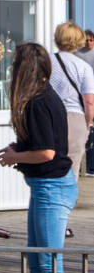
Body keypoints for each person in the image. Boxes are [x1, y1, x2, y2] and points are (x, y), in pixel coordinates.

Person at [0, 41, 76, 273]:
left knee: (48, 263)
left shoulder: (40, 101)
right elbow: (44, 145)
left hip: (52, 189)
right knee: (37, 260)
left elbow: (47, 153)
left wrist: (14, 156)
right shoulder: (43, 96)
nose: (12, 70)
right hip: (47, 187)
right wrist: (17, 151)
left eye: (15, 64)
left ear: (25, 69)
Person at [49, 22, 94, 182]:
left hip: (49, 117)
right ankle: (65, 205)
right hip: (74, 118)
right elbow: (89, 102)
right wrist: (88, 122)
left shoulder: (46, 61)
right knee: (71, 169)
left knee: (48, 167)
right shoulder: (83, 67)